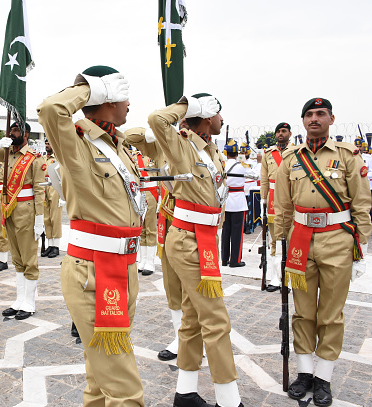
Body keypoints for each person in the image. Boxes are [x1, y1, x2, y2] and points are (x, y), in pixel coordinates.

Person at [37, 65, 145, 407]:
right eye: (122, 94)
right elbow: (51, 110)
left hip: (123, 267)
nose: (129, 102)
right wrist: (91, 88)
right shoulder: (79, 142)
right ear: (108, 97)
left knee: (99, 381)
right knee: (126, 391)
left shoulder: (118, 145)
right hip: (95, 274)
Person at [274, 98, 372, 407]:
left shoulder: (348, 157)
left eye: (320, 114)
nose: (314, 119)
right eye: (309, 114)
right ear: (303, 121)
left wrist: (362, 248)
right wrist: (281, 245)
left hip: (337, 241)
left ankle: (324, 377)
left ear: (331, 119)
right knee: (304, 313)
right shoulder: (290, 159)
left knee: (331, 315)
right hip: (300, 241)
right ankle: (304, 374)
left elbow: (362, 204)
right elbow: (283, 207)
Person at [148, 93, 244, 407]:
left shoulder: (210, 149)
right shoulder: (183, 145)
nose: (222, 119)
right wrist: (188, 105)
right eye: (218, 113)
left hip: (204, 238)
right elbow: (156, 120)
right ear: (205, 115)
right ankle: (230, 400)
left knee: (192, 318)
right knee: (216, 319)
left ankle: (185, 393)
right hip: (189, 239)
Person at [125, 125, 183, 361]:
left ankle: (192, 337)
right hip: (169, 211)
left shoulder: (199, 153)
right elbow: (129, 135)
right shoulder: (158, 150)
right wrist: (155, 132)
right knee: (172, 285)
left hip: (193, 221)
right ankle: (181, 336)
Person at [0, 122, 45, 320]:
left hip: (27, 211)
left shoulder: (34, 158)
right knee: (16, 258)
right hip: (8, 211)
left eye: (15, 131)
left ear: (25, 134)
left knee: (28, 258)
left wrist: (40, 218)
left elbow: (39, 190)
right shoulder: (5, 153)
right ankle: (19, 300)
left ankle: (29, 303)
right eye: (10, 130)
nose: (11, 133)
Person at [260, 122, 291, 292]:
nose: (280, 134)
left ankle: (289, 278)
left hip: (289, 198)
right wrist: (263, 201)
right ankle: (275, 278)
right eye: (278, 131)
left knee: (290, 240)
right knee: (274, 240)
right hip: (272, 200)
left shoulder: (295, 152)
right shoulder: (268, 154)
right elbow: (264, 179)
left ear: (289, 134)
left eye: (284, 131)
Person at [222, 139, 255, 268]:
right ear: (237, 153)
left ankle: (224, 259)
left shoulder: (223, 165)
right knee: (237, 232)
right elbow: (254, 175)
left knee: (226, 231)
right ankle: (235, 260)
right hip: (238, 202)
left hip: (226, 201)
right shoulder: (241, 166)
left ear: (226, 152)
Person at [134, 148, 159, 276]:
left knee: (150, 228)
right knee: (141, 229)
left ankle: (150, 261)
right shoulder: (134, 156)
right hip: (139, 192)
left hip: (151, 192)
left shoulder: (154, 155)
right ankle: (143, 260)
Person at [42, 138, 64, 258]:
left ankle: (56, 246)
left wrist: (62, 194)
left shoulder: (59, 157)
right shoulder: (43, 158)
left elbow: (63, 175)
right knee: (47, 218)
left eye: (49, 143)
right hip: (45, 187)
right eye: (45, 143)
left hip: (55, 187)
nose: (47, 145)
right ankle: (50, 245)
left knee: (55, 218)